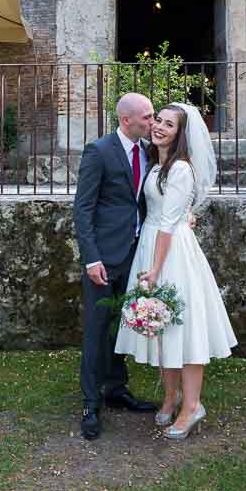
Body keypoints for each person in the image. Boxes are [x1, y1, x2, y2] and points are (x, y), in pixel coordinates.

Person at [115, 102, 238, 440]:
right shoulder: (157, 164)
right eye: (158, 120)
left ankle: (192, 405)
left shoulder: (181, 168)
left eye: (169, 125)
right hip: (152, 244)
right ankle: (170, 396)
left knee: (185, 329)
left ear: (180, 133)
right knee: (162, 327)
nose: (159, 127)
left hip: (171, 253)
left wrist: (154, 270)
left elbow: (169, 223)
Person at [72, 92, 158, 440]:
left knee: (122, 326)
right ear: (127, 120)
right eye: (148, 116)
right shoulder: (99, 151)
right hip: (103, 260)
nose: (153, 122)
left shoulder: (148, 152)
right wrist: (91, 258)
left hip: (136, 255)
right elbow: (83, 208)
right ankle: (91, 403)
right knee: (96, 328)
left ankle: (117, 389)